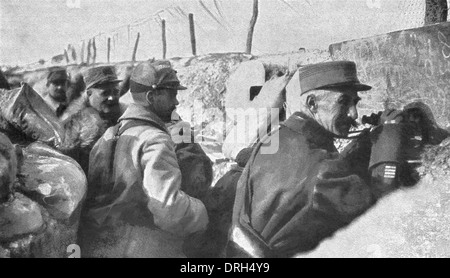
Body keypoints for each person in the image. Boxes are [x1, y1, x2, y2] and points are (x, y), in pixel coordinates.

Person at [225, 61, 414, 258]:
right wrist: (389, 139)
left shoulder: (275, 140)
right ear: (312, 104)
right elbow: (381, 211)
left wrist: (366, 144)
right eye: (343, 102)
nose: (354, 113)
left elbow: (319, 175)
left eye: (355, 102)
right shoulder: (322, 171)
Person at [79, 60, 208, 258]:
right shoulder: (155, 139)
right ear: (151, 96)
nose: (177, 102)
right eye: (172, 94)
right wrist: (203, 212)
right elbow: (169, 210)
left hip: (100, 245)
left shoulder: (107, 136)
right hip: (141, 247)